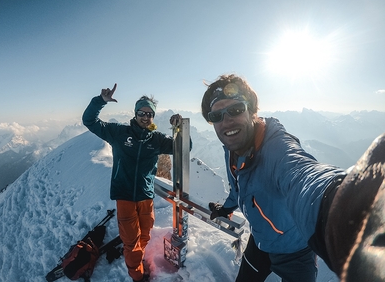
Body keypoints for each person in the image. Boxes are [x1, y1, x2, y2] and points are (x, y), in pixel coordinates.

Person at [201, 74, 385, 282]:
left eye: (235, 110)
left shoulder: (277, 149)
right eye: (216, 116)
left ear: (251, 111)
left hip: (296, 252)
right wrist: (226, 208)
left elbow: (302, 173)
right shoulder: (232, 148)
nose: (226, 121)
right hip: (260, 242)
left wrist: (340, 205)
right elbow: (238, 187)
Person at [82, 83, 183, 282]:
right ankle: (137, 275)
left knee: (144, 235)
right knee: (130, 241)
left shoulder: (157, 139)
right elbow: (89, 121)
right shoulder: (119, 132)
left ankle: (135, 258)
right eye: (142, 113)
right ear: (135, 113)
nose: (145, 117)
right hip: (125, 196)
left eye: (149, 114)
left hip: (146, 196)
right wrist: (100, 101)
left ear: (153, 116)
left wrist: (179, 129)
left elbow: (184, 148)